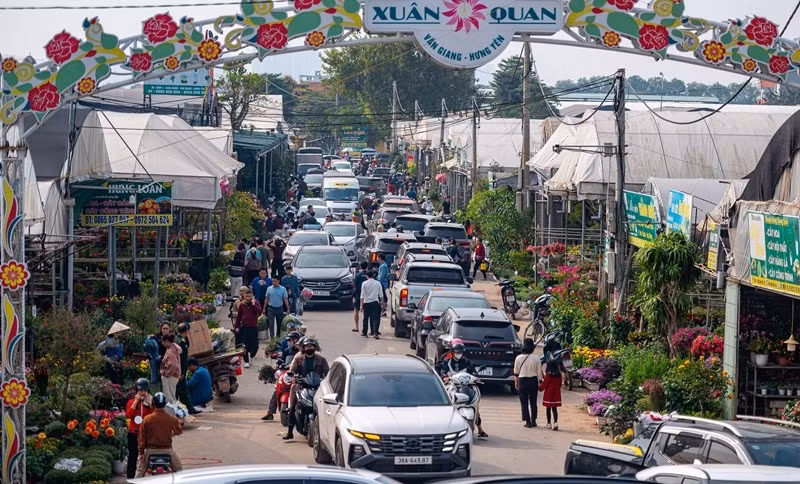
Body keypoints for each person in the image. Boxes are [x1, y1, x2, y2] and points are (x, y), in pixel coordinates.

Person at [436, 339, 487, 438]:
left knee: (476, 406)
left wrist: (476, 378)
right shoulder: (446, 362)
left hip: (466, 386)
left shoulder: (467, 362)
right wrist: (445, 377)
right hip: (452, 386)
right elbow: (442, 372)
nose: (459, 354)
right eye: (457, 352)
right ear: (452, 352)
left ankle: (480, 429)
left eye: (461, 352)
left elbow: (473, 372)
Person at [284, 338, 329, 440]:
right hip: (302, 385)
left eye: (311, 346)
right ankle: (290, 431)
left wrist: (326, 379)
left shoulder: (321, 359)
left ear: (315, 347)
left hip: (317, 386)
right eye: (307, 346)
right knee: (293, 406)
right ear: (303, 348)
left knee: (327, 406)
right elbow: (292, 369)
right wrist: (293, 376)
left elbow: (327, 372)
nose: (309, 348)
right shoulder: (298, 358)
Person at [135, 392, 183, 478]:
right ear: (164, 404)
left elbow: (141, 438)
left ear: (153, 403)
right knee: (179, 470)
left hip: (150, 450)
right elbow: (179, 431)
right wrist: (172, 432)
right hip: (167, 450)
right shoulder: (171, 418)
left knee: (139, 472)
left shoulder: (147, 419)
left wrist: (141, 453)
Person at [262, 331, 301, 421]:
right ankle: (270, 412)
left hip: (297, 375)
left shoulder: (301, 352)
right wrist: (277, 365)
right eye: (288, 340)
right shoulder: (287, 350)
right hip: (287, 373)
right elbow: (281, 359)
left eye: (290, 340)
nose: (289, 342)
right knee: (277, 389)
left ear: (295, 340)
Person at [125, 378, 154, 479]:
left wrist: (149, 404)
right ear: (136, 391)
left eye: (145, 391)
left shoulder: (150, 403)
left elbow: (152, 417)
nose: (142, 393)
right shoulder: (131, 402)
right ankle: (130, 478)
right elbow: (129, 415)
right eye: (140, 391)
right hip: (134, 433)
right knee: (132, 456)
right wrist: (136, 402)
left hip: (146, 434)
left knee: (148, 456)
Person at [514, 338, 542, 428]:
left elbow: (516, 372)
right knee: (533, 402)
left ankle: (527, 422)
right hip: (533, 381)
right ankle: (534, 420)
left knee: (524, 402)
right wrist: (540, 382)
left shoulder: (518, 358)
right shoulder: (536, 358)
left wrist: (516, 382)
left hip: (522, 381)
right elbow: (539, 373)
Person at [234, 287, 261, 368]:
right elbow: (239, 316)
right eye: (246, 296)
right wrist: (236, 326)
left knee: (255, 345)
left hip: (253, 327)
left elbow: (259, 312)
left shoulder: (255, 303)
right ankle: (246, 361)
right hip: (245, 327)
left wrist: (253, 305)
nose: (247, 298)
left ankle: (252, 356)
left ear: (252, 296)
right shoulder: (242, 304)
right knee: (244, 345)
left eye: (249, 296)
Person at [540, 345, 563, 431]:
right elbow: (560, 384)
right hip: (556, 393)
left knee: (548, 408)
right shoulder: (558, 375)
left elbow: (544, 385)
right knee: (554, 409)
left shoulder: (549, 375)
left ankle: (548, 423)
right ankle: (556, 422)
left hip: (549, 393)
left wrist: (539, 388)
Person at [175, 323, 195, 414]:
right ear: (186, 331)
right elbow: (182, 360)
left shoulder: (177, 339)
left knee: (182, 391)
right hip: (180, 371)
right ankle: (188, 409)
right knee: (181, 391)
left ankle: (189, 409)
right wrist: (183, 372)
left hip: (178, 371)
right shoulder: (181, 342)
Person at [265, 275, 289, 339]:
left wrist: (288, 308)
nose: (273, 283)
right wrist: (264, 309)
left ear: (278, 281)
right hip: (271, 308)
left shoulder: (283, 289)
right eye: (272, 281)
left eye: (275, 281)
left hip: (279, 308)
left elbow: (285, 299)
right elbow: (267, 299)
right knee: (271, 324)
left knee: (279, 324)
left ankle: (278, 337)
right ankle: (272, 338)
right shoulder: (269, 288)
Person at [160, 333, 182, 404]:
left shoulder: (170, 352)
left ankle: (170, 413)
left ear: (166, 341)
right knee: (171, 396)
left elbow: (173, 365)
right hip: (174, 376)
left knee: (169, 397)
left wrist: (166, 373)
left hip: (170, 377)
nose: (162, 343)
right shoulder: (174, 348)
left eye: (163, 341)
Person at [360, 270, 383, 338]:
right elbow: (381, 295)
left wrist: (361, 305)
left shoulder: (364, 283)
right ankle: (375, 333)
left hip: (366, 303)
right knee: (376, 318)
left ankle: (365, 332)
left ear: (367, 276)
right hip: (375, 303)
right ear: (373, 276)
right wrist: (383, 303)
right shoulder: (378, 283)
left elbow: (362, 295)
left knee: (366, 318)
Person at [352, 261, 368, 332]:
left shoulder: (358, 275)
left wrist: (353, 295)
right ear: (367, 267)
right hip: (367, 296)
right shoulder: (369, 275)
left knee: (356, 310)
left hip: (358, 295)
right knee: (366, 312)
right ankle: (365, 328)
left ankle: (357, 327)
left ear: (360, 267)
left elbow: (355, 287)